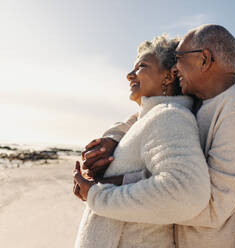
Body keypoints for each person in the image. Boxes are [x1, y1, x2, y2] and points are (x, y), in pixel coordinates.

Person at [82, 24, 235, 248]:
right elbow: (150, 116)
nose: (175, 66)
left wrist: (108, 187)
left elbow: (206, 205)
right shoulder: (201, 104)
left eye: (179, 57)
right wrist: (113, 138)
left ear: (204, 59)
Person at [73, 35, 211, 248]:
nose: (129, 75)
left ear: (169, 75)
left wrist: (96, 194)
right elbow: (149, 177)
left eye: (141, 67)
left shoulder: (169, 116)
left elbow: (187, 192)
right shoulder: (149, 119)